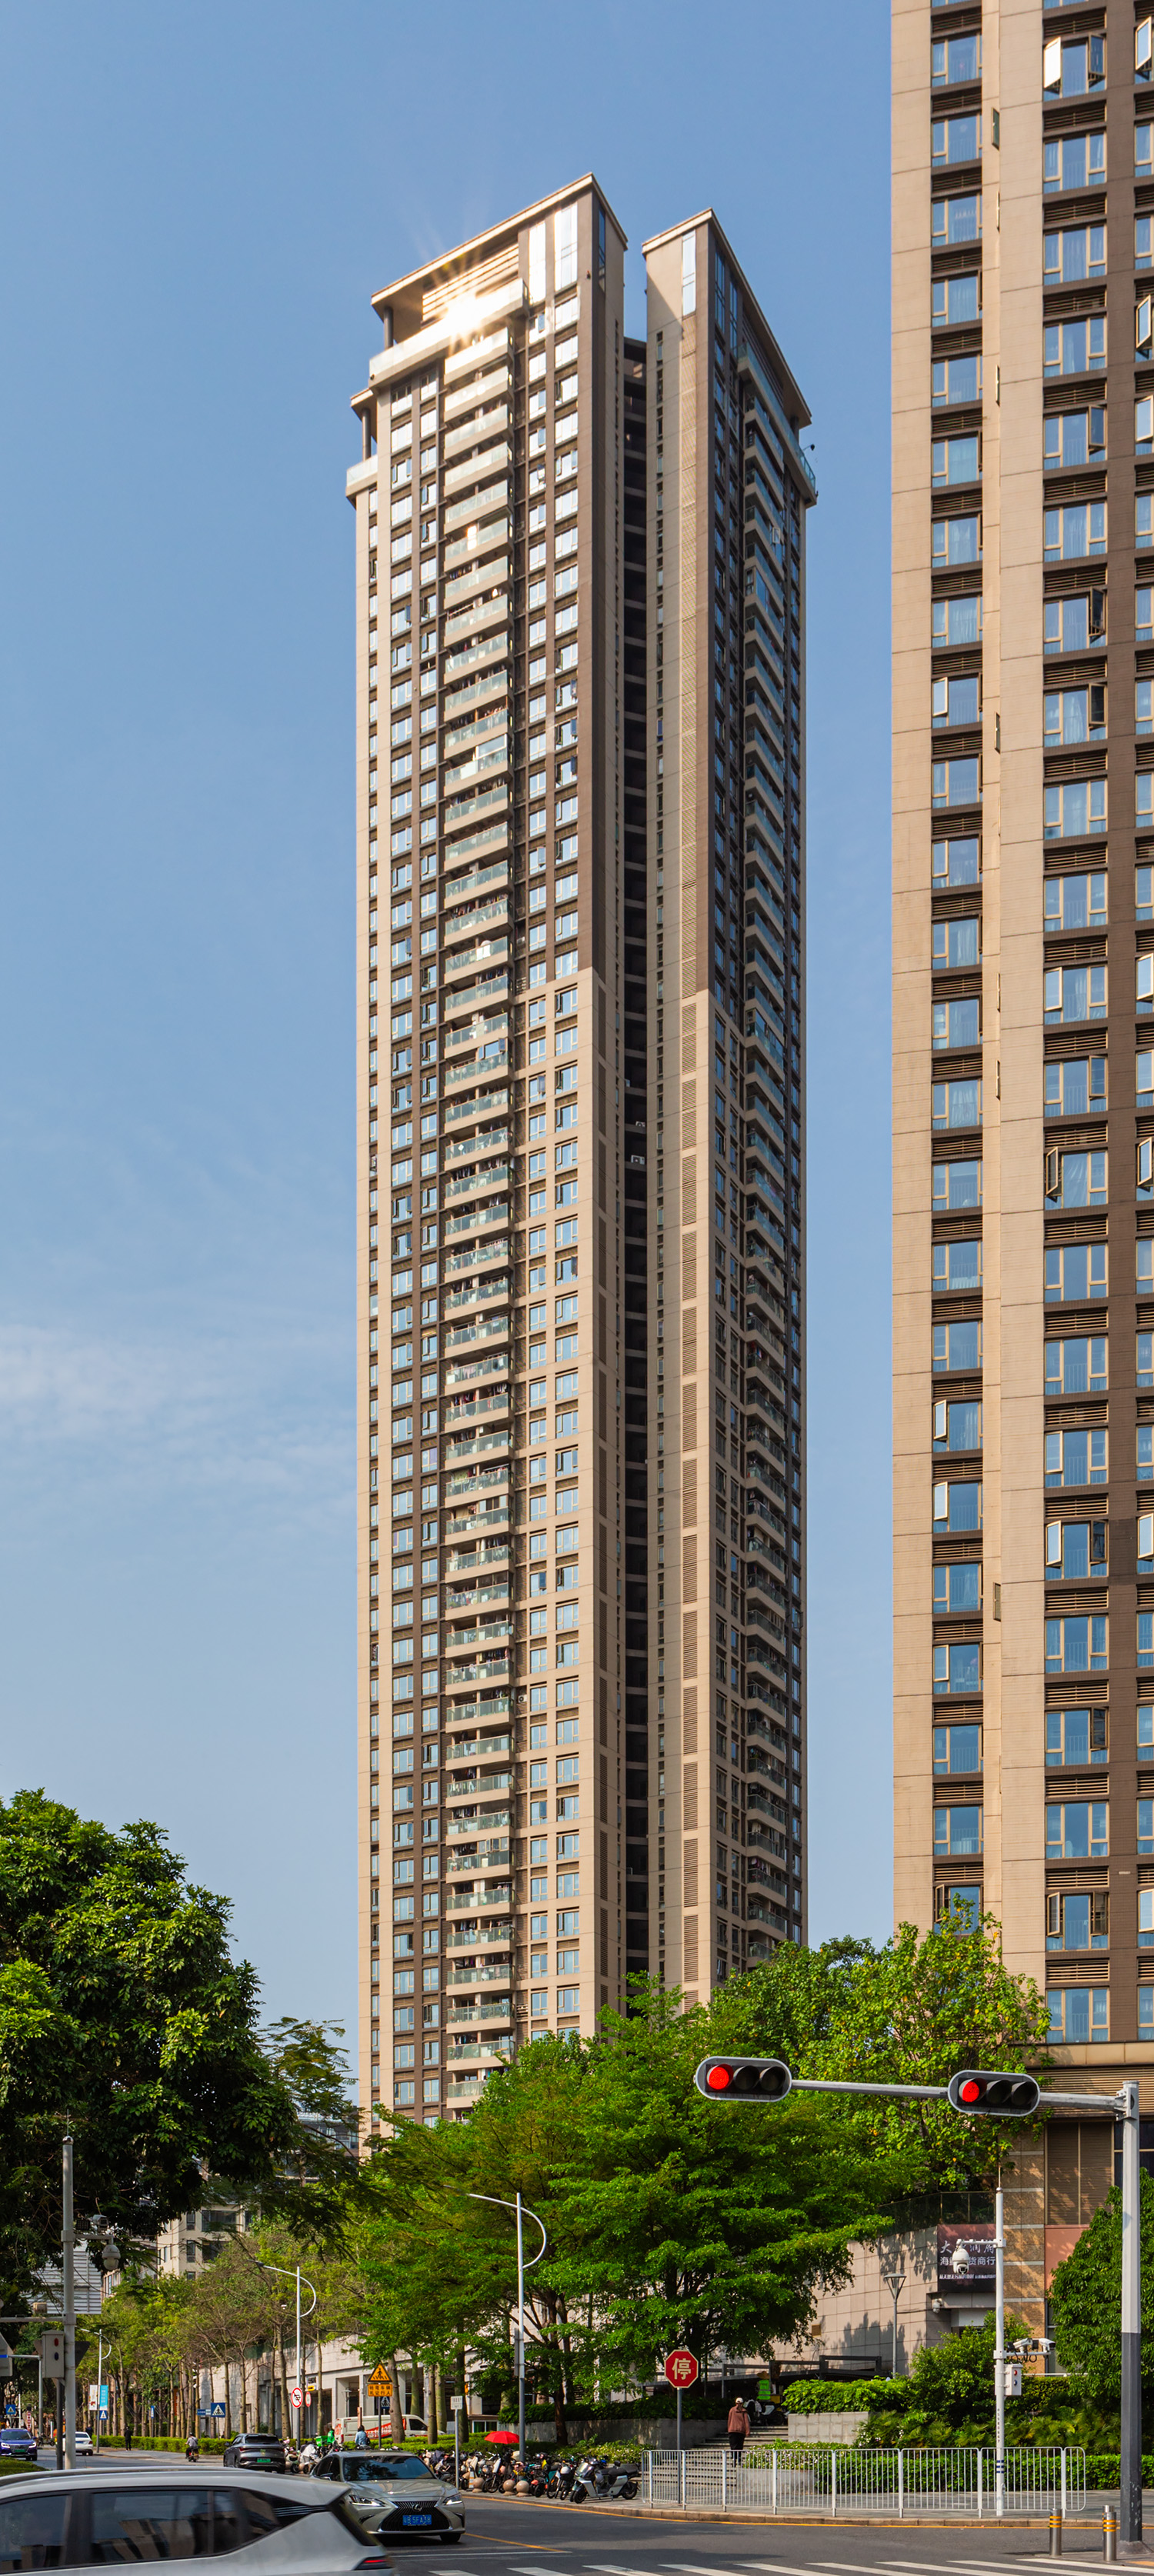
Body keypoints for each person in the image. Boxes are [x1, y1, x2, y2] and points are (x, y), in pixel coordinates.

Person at [726, 2396, 749, 2466]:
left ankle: (734, 2459)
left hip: (732, 2431)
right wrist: (748, 2431)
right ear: (742, 2403)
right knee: (739, 2446)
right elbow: (746, 2422)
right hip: (741, 2431)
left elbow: (729, 2420)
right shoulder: (744, 2411)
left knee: (733, 2446)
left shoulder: (732, 2410)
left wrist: (729, 2429)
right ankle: (739, 2459)